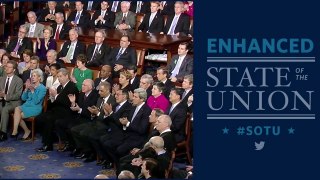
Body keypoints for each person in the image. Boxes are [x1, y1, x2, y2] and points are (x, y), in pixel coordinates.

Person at [35, 68, 78, 152]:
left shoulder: (72, 87)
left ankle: (48, 145)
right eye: (58, 76)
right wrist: (51, 98)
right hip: (57, 110)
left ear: (66, 76)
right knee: (39, 118)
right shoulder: (59, 87)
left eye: (60, 76)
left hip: (66, 112)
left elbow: (67, 103)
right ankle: (50, 138)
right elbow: (56, 101)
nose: (59, 78)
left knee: (48, 119)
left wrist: (56, 96)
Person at [11, 69, 47, 140]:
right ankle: (20, 131)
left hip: (35, 108)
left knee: (17, 114)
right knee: (17, 111)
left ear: (39, 78)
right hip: (26, 106)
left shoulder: (43, 88)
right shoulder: (31, 86)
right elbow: (23, 98)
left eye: (34, 76)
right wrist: (26, 89)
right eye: (32, 76)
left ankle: (18, 131)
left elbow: (36, 101)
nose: (32, 77)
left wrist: (33, 91)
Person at [0, 60, 23, 141]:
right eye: (6, 66)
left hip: (14, 102)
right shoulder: (2, 79)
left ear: (14, 70)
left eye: (9, 67)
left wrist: (5, 96)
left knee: (4, 109)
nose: (7, 68)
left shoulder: (18, 80)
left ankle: (3, 133)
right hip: (2, 100)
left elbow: (17, 95)